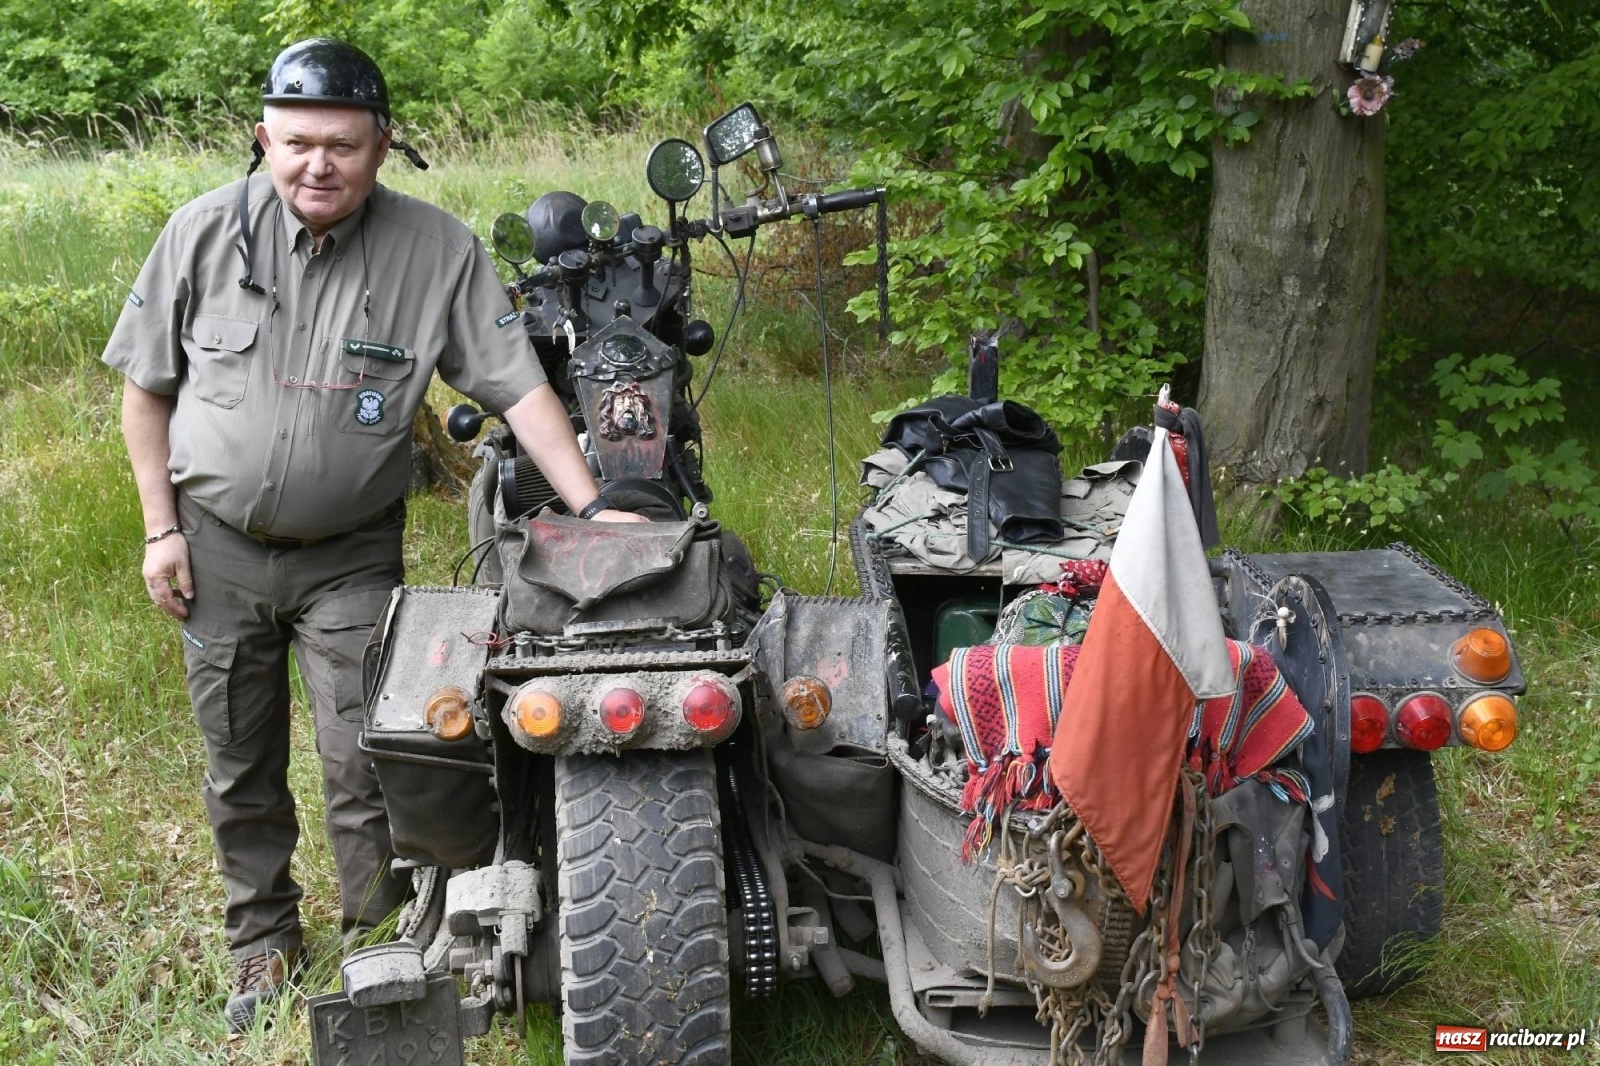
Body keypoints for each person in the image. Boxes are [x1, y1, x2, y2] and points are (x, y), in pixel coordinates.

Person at [101, 37, 644, 1032]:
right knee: (238, 749)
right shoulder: (199, 235)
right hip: (215, 542)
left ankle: (377, 938)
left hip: (350, 550)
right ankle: (261, 941)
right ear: (262, 137)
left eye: (342, 145)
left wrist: (586, 504)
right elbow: (144, 390)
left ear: (382, 147)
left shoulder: (435, 250)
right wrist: (158, 529)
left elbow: (516, 386)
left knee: (366, 753)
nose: (319, 164)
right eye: (298, 142)